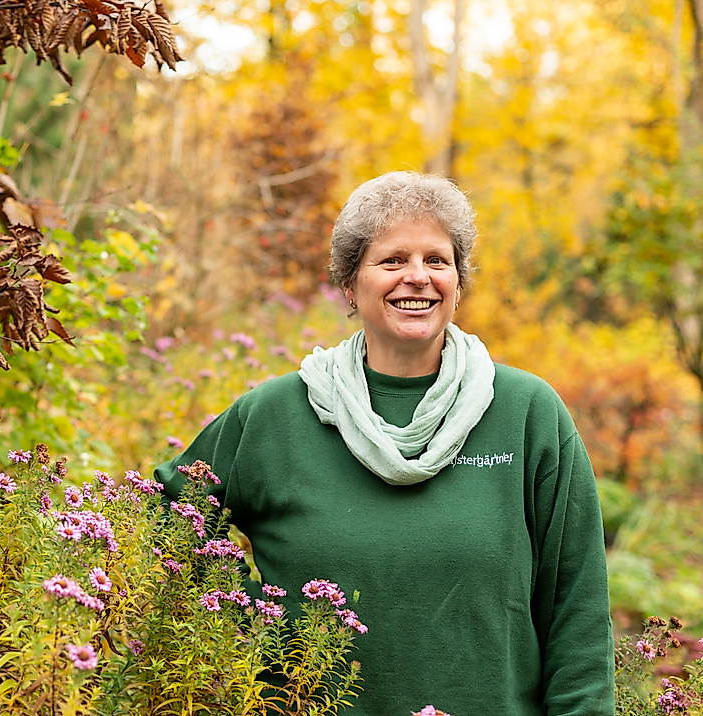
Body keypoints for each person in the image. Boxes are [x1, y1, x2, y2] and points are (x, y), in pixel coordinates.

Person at [154, 171, 614, 715]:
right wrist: (250, 613)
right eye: (393, 260)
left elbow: (577, 607)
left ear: (459, 283)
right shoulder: (275, 415)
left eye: (437, 261)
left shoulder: (527, 413)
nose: (417, 277)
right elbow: (165, 518)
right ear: (349, 285)